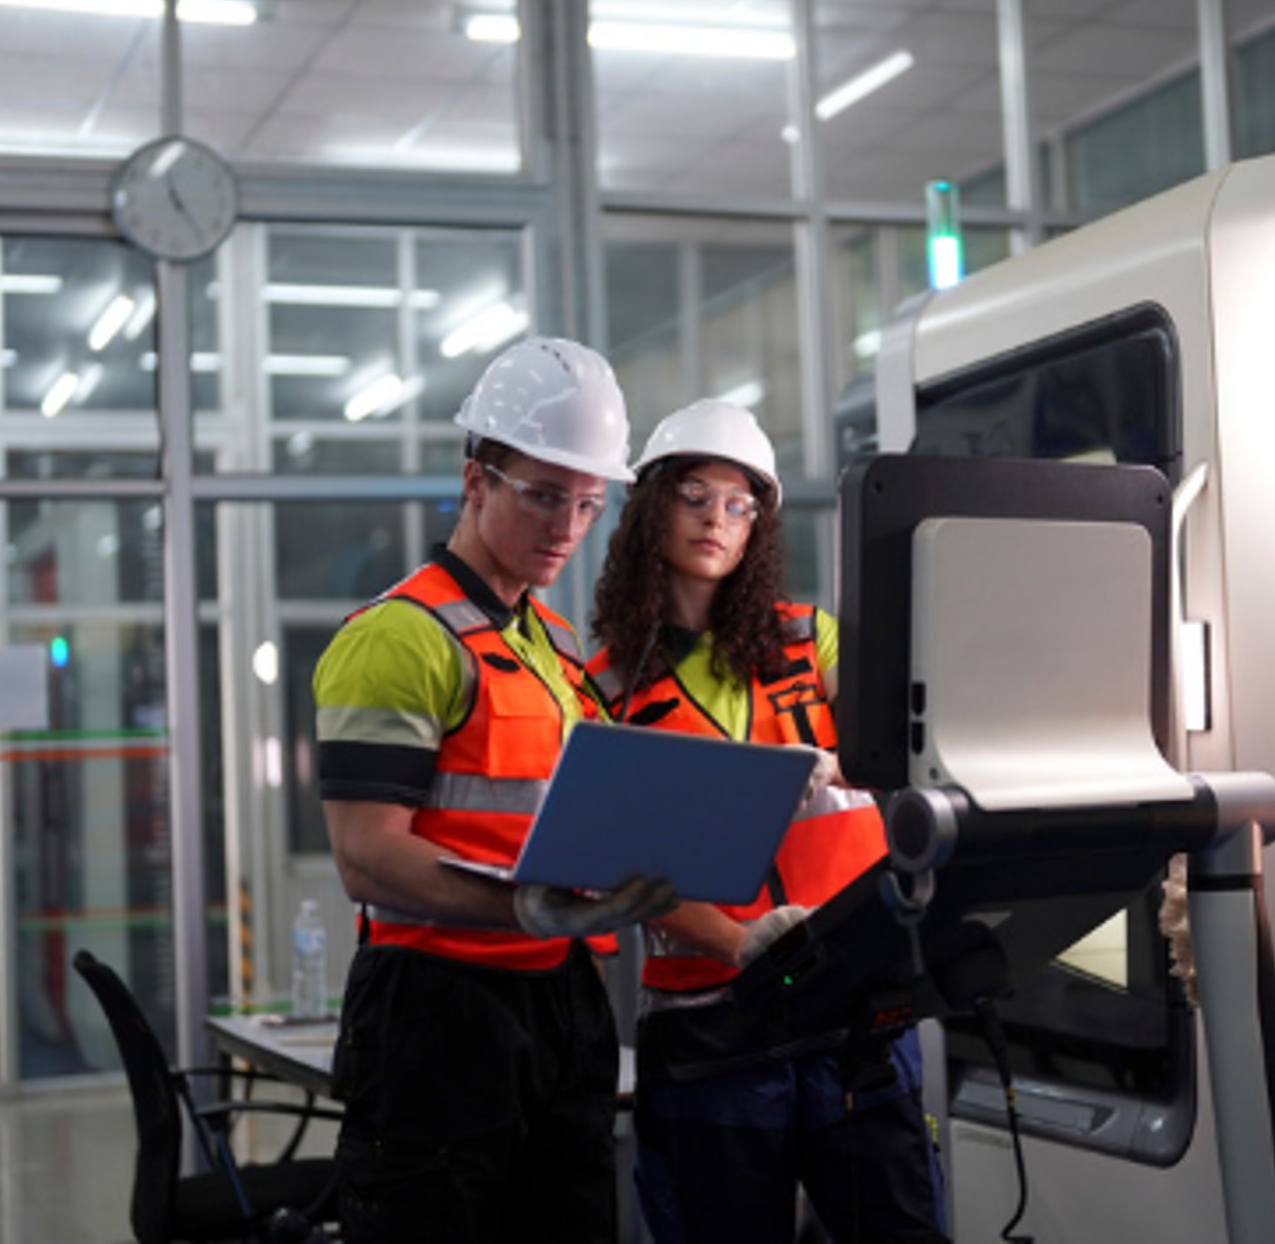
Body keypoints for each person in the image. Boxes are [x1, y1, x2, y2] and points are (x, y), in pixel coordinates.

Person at [313, 336, 676, 1244]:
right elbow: (366, 855)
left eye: (589, 503)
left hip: (559, 1004)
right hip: (439, 1013)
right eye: (544, 494)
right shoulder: (400, 637)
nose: (567, 525)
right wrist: (527, 908)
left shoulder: (553, 647)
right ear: (476, 478)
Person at [587, 399, 949, 1244]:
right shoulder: (606, 687)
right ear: (651, 506)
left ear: (759, 527)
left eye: (740, 503)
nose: (718, 518)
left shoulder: (808, 640)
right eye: (695, 494)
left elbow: (905, 744)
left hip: (855, 1007)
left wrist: (841, 760)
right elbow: (623, 861)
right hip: (712, 1029)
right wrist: (737, 942)